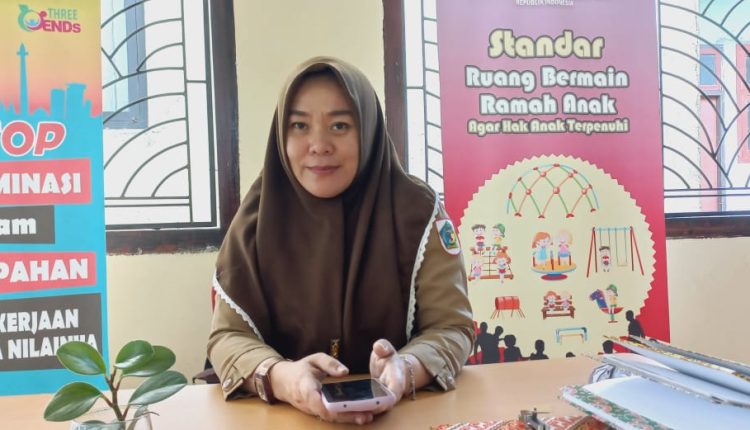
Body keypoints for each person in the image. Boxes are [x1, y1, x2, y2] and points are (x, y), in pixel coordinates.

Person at [207, 57, 475, 425]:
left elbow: (452, 327)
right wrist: (282, 378)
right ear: (281, 136)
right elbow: (227, 336)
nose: (319, 145)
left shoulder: (417, 212)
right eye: (300, 125)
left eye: (339, 125)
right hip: (281, 419)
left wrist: (407, 368)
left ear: (368, 131)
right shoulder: (257, 216)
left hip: (403, 418)